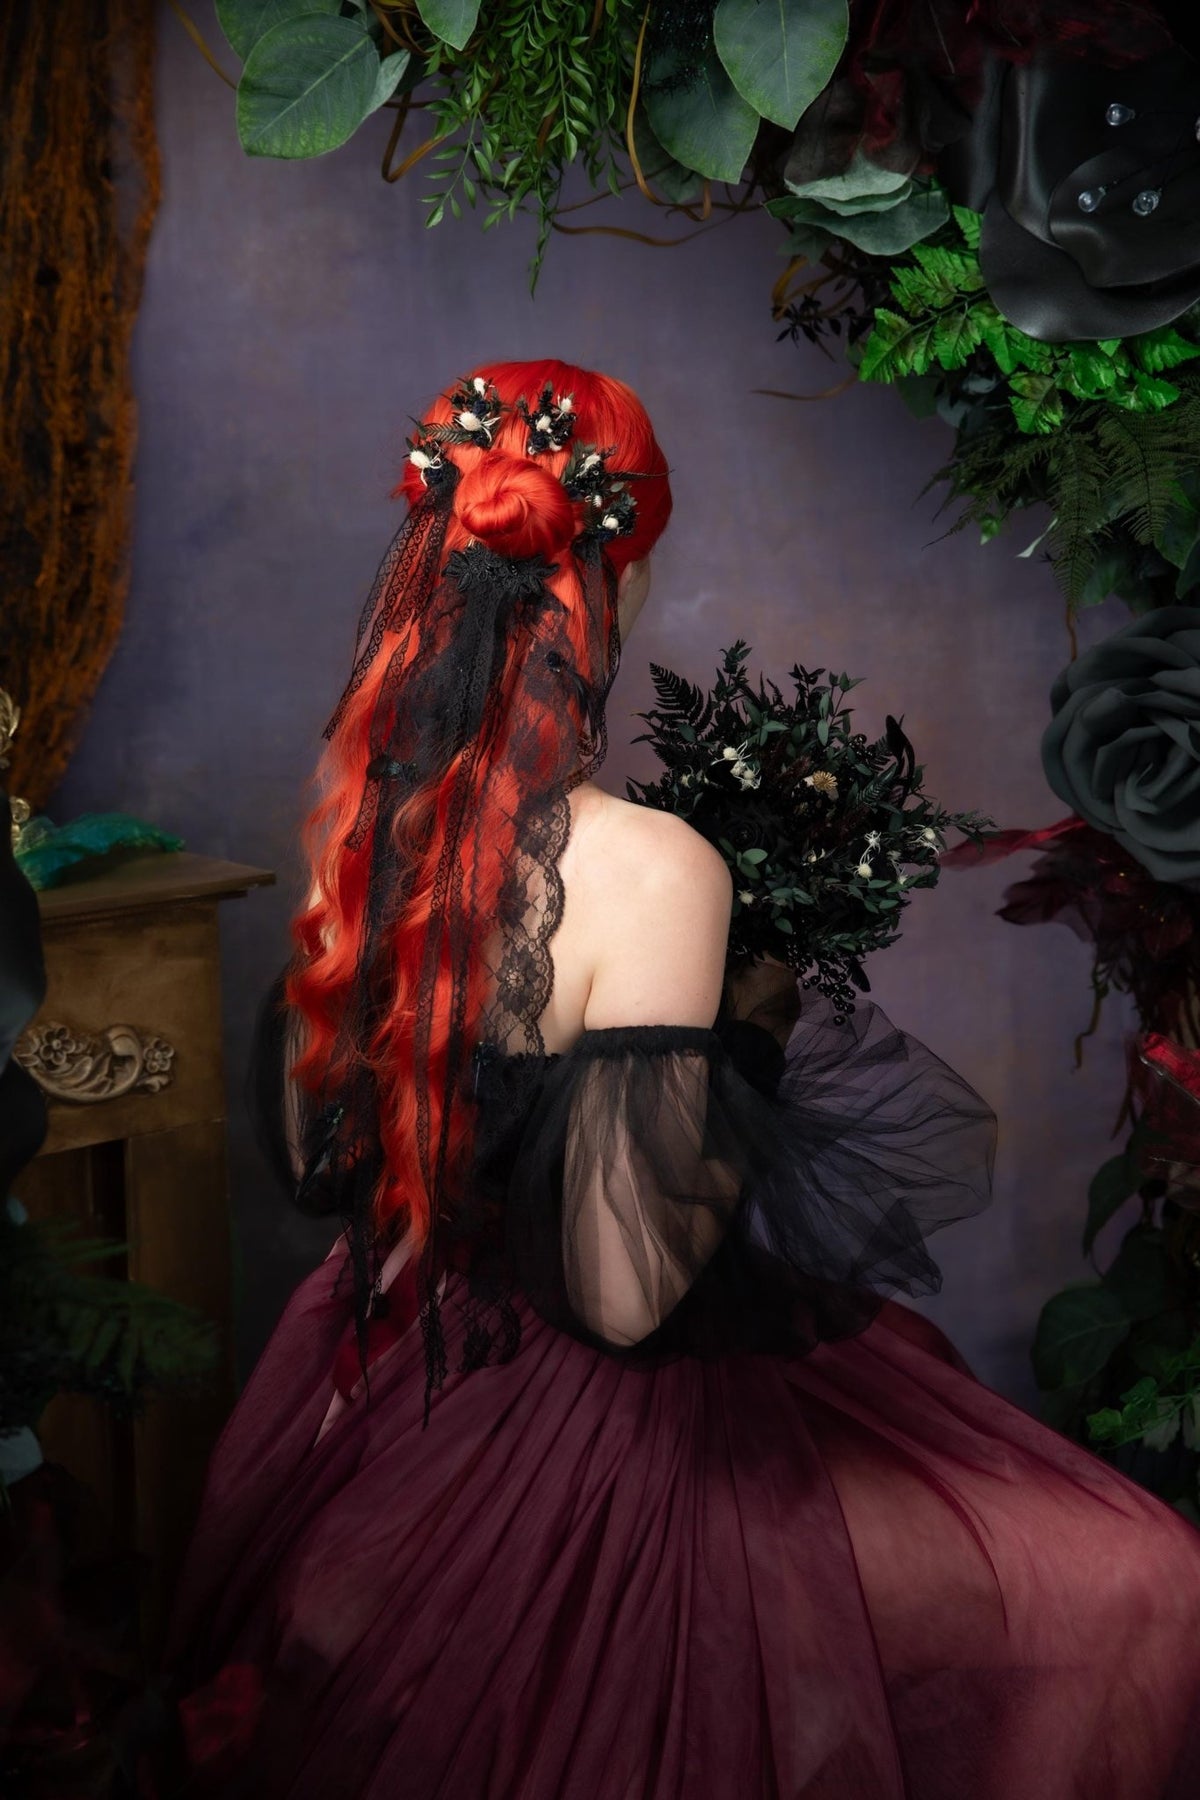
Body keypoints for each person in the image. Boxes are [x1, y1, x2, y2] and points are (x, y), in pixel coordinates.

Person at [152, 360, 1200, 1800]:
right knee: (1136, 1576)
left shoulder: (372, 825)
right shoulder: (654, 871)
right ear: (622, 578)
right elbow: (626, 1294)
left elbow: (319, 1165)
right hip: (574, 1446)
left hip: (377, 1394)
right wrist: (749, 1033)